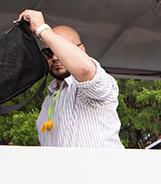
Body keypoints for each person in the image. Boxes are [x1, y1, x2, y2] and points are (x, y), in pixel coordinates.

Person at [19, 9, 123, 149]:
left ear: (81, 50)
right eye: (49, 52)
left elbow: (84, 69)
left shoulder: (97, 82)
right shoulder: (49, 99)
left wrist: (41, 29)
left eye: (61, 50)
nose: (55, 57)